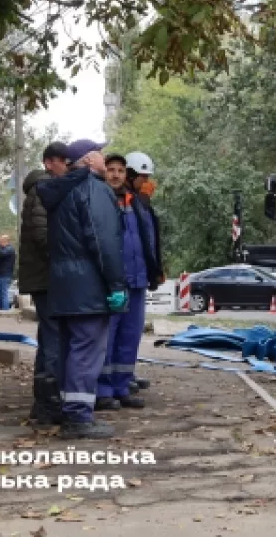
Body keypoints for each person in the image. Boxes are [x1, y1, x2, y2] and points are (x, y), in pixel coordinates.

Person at [37, 139, 127, 439]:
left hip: (63, 284)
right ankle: (78, 418)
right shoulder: (93, 189)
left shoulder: (61, 190)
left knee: (69, 349)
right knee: (86, 350)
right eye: (100, 154)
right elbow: (104, 243)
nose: (104, 158)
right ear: (89, 160)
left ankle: (69, 409)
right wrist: (116, 284)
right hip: (88, 285)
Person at [95, 152, 162, 411]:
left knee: (130, 337)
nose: (115, 175)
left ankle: (122, 387)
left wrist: (153, 270)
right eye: (111, 170)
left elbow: (147, 240)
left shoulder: (136, 203)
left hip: (137, 280)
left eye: (120, 171)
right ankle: (103, 390)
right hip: (114, 282)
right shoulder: (101, 200)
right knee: (108, 337)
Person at [20, 142, 67, 425]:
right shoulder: (43, 190)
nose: (67, 167)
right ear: (50, 163)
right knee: (52, 338)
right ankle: (47, 404)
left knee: (51, 336)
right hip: (46, 277)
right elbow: (43, 234)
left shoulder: (45, 189)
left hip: (45, 276)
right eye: (64, 161)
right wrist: (65, 259)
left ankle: (45, 402)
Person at [125, 151, 162, 392]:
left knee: (132, 332)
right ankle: (116, 380)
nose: (147, 183)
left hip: (139, 275)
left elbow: (150, 240)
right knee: (120, 333)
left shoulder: (141, 204)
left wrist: (155, 269)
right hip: (125, 277)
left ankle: (125, 374)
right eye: (143, 177)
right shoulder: (126, 202)